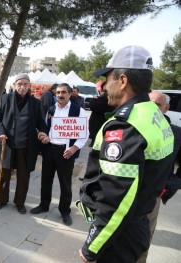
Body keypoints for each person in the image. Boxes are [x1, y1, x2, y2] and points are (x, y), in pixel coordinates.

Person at [78, 46, 174, 263]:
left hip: (119, 235)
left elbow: (117, 198)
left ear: (122, 80)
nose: (103, 86)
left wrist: (92, 246)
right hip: (136, 225)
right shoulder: (152, 114)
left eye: (107, 78)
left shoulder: (127, 127)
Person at [30, 83, 88, 226]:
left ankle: (65, 211)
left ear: (70, 94)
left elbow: (84, 134)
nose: (60, 95)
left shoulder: (78, 111)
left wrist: (74, 148)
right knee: (46, 180)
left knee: (65, 183)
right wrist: (45, 136)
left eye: (63, 92)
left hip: (66, 152)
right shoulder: (51, 110)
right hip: (50, 150)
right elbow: (48, 129)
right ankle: (44, 205)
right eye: (58, 93)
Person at [0, 73, 48, 214]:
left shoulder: (35, 103)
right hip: (8, 144)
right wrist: (0, 133)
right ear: (14, 85)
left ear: (29, 86)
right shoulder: (5, 99)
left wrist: (42, 131)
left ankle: (20, 202)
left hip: (27, 146)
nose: (22, 87)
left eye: (25, 84)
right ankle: (1, 200)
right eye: (19, 84)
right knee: (4, 173)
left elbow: (41, 122)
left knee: (24, 176)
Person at [137, 91, 181, 262]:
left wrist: (169, 185)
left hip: (151, 197)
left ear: (166, 108)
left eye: (157, 104)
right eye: (149, 103)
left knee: (143, 238)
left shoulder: (176, 134)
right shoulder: (133, 127)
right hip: (125, 193)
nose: (152, 108)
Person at [88, 81, 115, 147]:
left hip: (101, 122)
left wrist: (94, 100)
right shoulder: (102, 98)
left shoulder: (104, 98)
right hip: (98, 121)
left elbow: (93, 106)